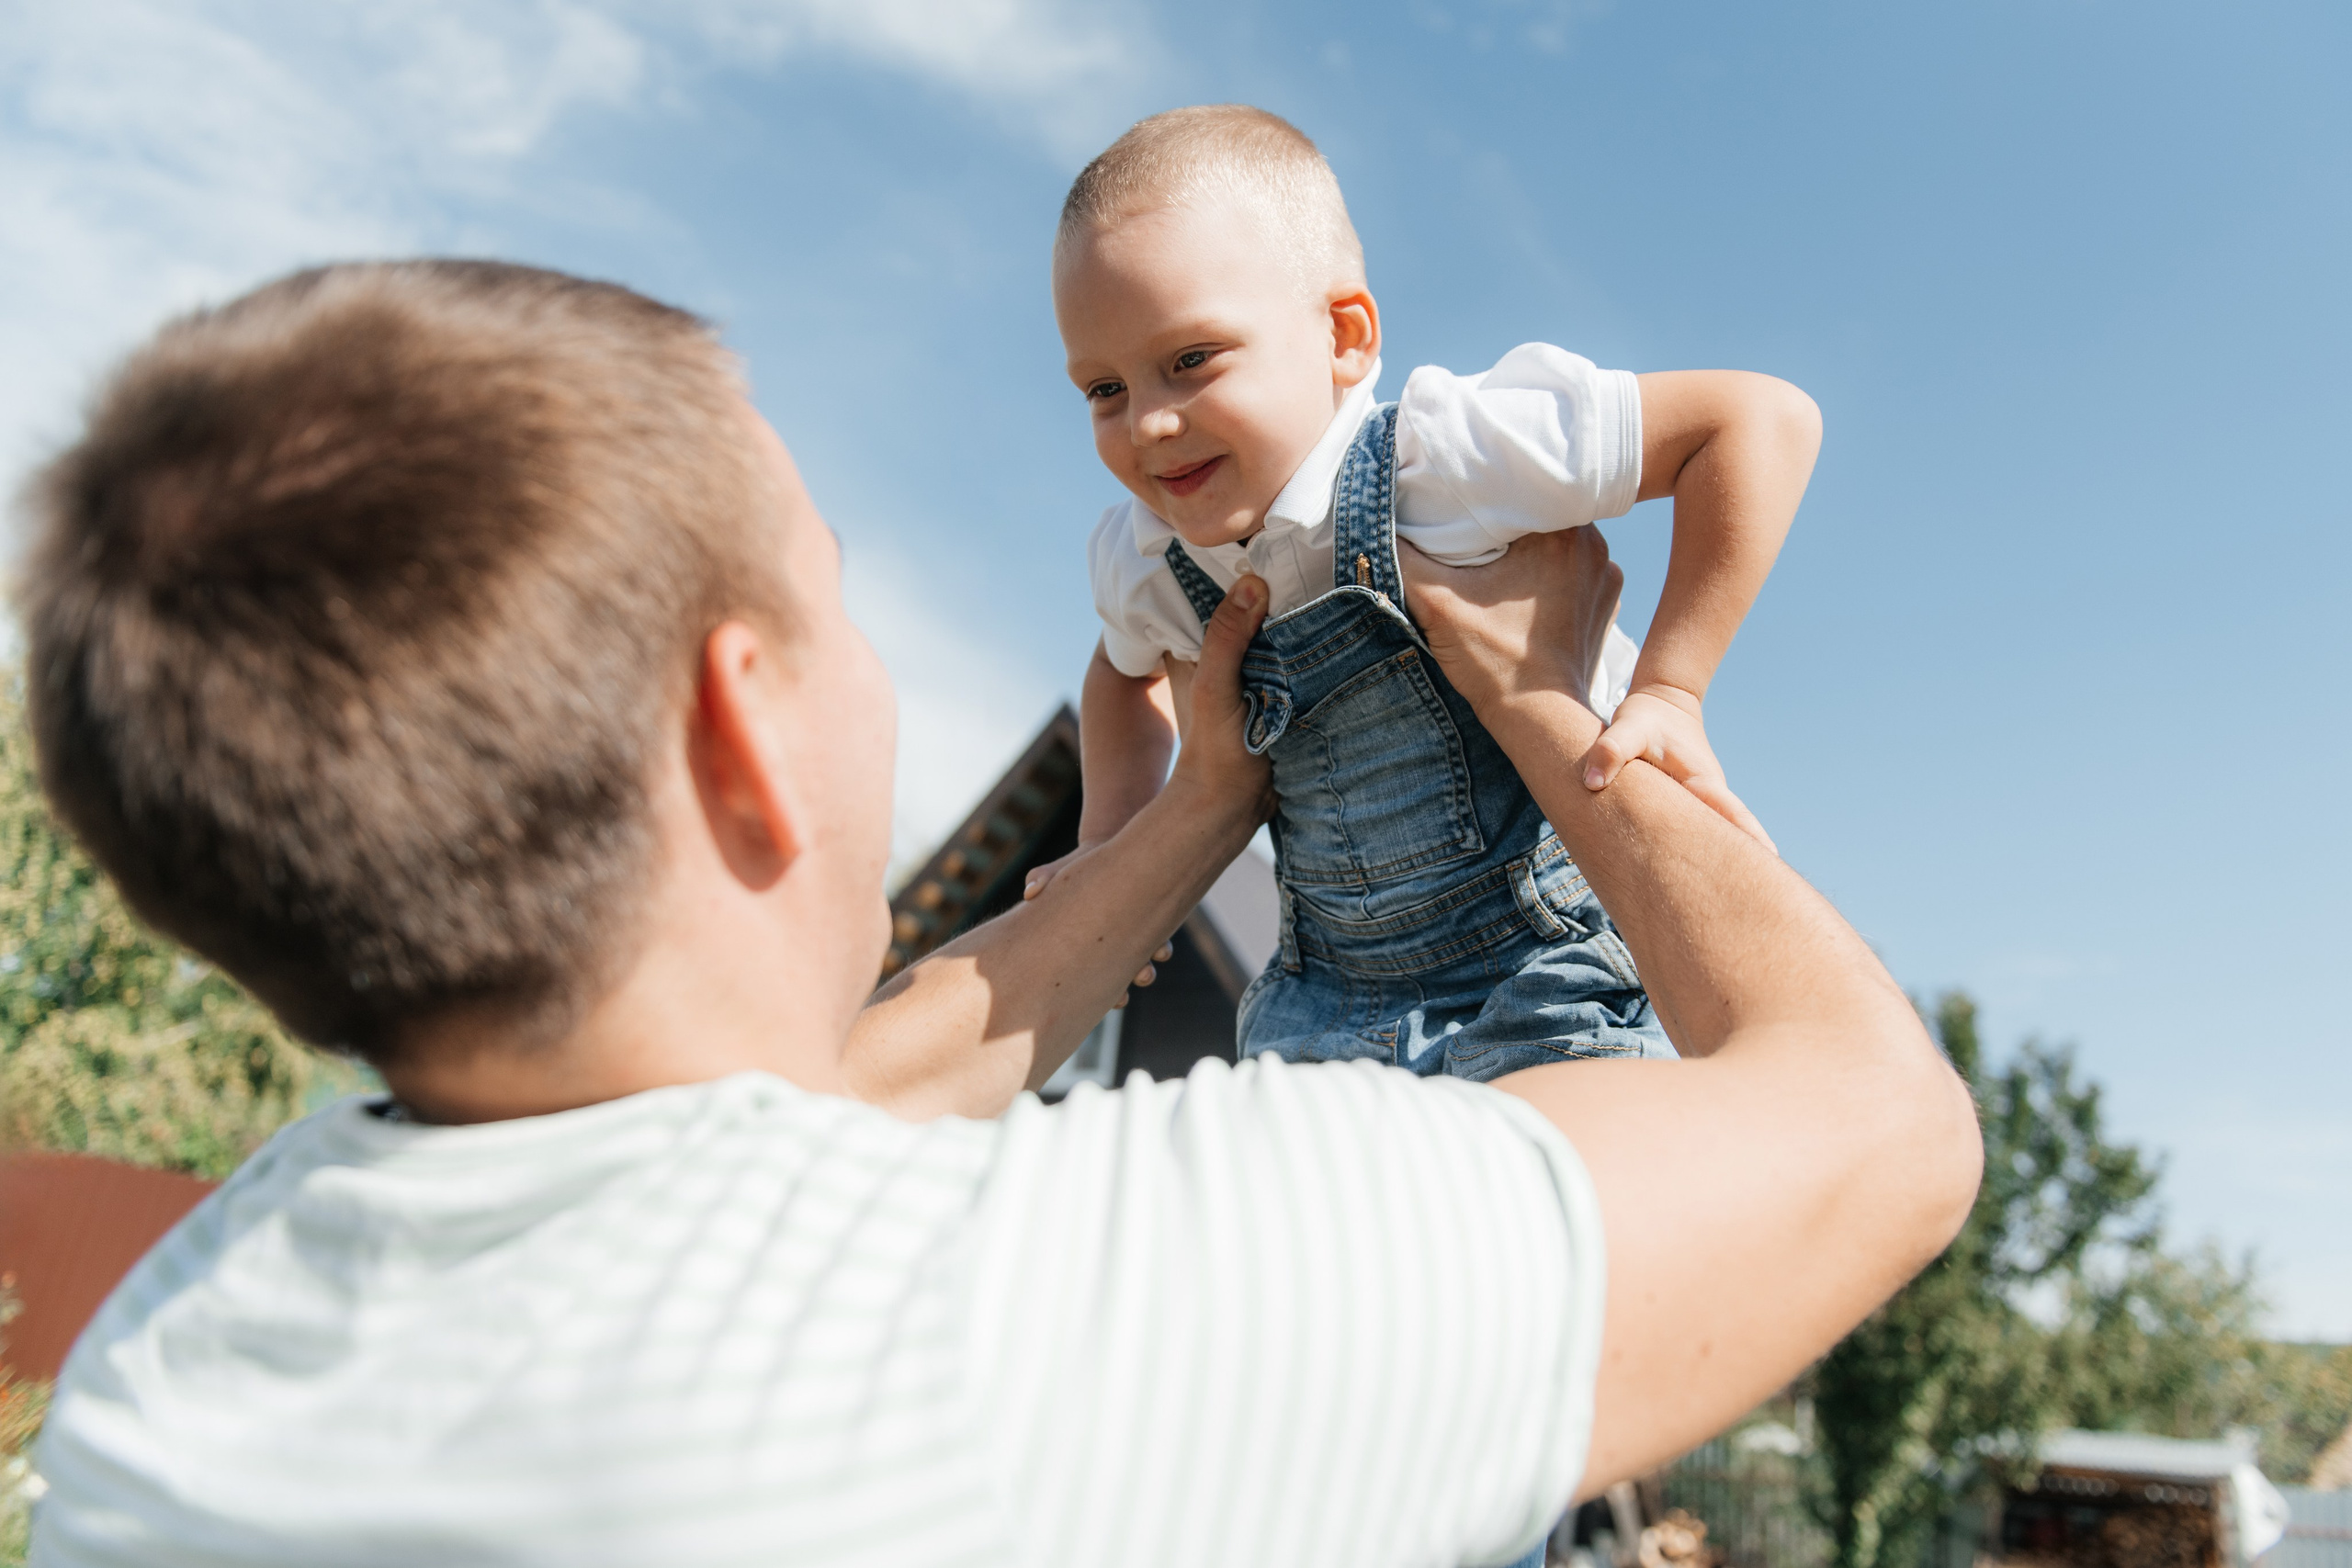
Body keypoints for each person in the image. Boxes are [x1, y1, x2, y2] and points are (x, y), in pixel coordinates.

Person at [20, 260, 1978, 1568]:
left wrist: (1195, 800)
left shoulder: (195, 1352)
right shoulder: (1046, 1311)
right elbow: (1873, 1130)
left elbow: (811, 1108)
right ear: (740, 718)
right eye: (836, 597)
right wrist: (1555, 701)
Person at [1047, 105, 1819, 1080]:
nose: (1148, 424)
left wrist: (1671, 688)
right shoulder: (1146, 557)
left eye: (1190, 361)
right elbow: (1120, 674)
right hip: (1322, 1007)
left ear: (1343, 336)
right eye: (1102, 390)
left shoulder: (1439, 455)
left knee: (1569, 1217)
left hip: (1550, 976)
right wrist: (1109, 837)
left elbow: (1754, 423)